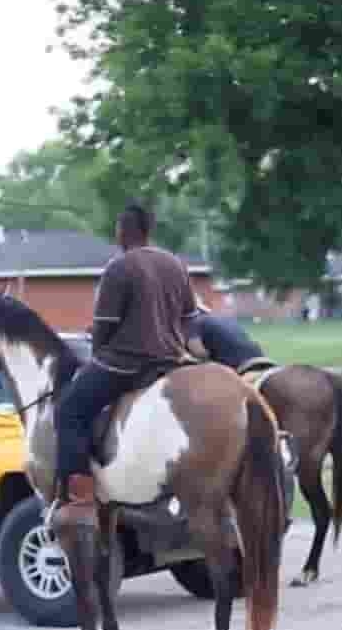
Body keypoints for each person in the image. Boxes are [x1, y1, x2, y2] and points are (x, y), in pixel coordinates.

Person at [51, 203, 199, 531]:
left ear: (125, 230)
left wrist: (97, 351)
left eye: (118, 228)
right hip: (172, 360)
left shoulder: (119, 268)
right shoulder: (175, 264)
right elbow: (190, 319)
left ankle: (80, 499)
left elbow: (104, 326)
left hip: (126, 364)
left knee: (69, 411)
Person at [183, 303, 268, 372]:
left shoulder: (192, 324)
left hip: (235, 363)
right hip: (258, 355)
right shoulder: (221, 316)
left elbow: (199, 352)